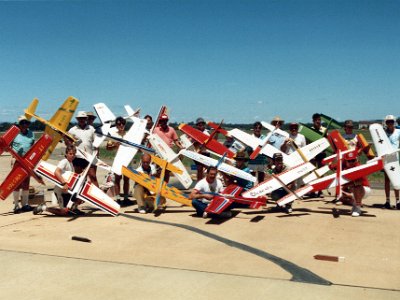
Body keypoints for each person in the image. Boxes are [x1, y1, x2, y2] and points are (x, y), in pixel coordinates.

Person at [33, 145, 85, 216]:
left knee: (80, 197)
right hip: (60, 192)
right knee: (64, 212)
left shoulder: (71, 164)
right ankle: (43, 208)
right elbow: (57, 171)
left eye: (73, 154)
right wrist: (64, 184)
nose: (72, 156)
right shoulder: (64, 161)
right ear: (66, 154)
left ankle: (74, 208)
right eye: (70, 154)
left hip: (67, 192)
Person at [66, 111, 98, 186]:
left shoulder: (91, 129)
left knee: (93, 176)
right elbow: (68, 144)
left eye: (83, 118)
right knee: (78, 177)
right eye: (80, 118)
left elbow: (96, 143)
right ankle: (79, 194)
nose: (82, 120)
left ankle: (98, 195)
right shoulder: (72, 130)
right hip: (77, 156)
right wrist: (65, 138)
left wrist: (96, 155)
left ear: (86, 119)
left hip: (89, 157)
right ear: (77, 119)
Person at [11, 116, 35, 213]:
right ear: (19, 124)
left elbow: (33, 146)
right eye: (22, 123)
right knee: (16, 183)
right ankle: (16, 205)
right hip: (17, 160)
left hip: (28, 161)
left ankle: (25, 204)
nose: (24, 125)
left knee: (26, 183)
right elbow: (7, 145)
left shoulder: (31, 134)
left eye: (26, 123)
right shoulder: (14, 133)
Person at [106, 116, 131, 206]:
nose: (121, 125)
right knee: (117, 179)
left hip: (127, 159)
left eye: (122, 123)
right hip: (118, 159)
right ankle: (117, 198)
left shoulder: (129, 134)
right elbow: (108, 148)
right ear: (116, 125)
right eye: (119, 124)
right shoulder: (113, 135)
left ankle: (126, 198)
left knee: (127, 179)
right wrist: (114, 146)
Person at [340, 152, 371, 217]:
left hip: (365, 190)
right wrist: (343, 191)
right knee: (342, 196)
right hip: (354, 190)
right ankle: (354, 204)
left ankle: (358, 208)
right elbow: (344, 184)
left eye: (353, 160)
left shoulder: (358, 167)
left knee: (357, 185)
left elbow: (359, 182)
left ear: (356, 160)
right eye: (349, 161)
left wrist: (346, 186)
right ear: (346, 161)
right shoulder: (346, 169)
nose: (351, 162)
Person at [383, 115, 400, 209]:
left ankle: (398, 201)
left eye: (391, 121)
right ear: (385, 122)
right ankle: (387, 201)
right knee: (387, 180)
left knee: (396, 180)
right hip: (386, 159)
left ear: (394, 122)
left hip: (395, 159)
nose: (390, 123)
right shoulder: (383, 133)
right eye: (388, 122)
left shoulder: (398, 131)